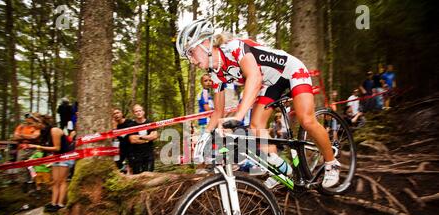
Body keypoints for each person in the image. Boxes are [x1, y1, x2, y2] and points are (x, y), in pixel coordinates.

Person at [177, 19, 341, 189]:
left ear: (205, 44)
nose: (190, 59)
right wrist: (204, 136)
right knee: (256, 125)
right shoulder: (215, 75)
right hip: (271, 83)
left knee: (306, 120)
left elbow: (254, 78)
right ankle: (280, 170)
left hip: (291, 70)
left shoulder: (233, 47)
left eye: (191, 52)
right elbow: (218, 112)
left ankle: (331, 162)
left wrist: (238, 116)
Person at [24, 114, 75, 212]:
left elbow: (57, 148)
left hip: (66, 157)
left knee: (62, 181)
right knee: (55, 182)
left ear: (39, 122)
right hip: (56, 157)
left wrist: (36, 147)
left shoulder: (54, 130)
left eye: (32, 123)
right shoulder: (44, 133)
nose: (31, 126)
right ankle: (53, 203)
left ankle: (60, 204)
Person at [127, 104, 159, 174]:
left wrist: (140, 137)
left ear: (143, 112)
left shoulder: (150, 122)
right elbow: (132, 140)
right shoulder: (131, 125)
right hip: (136, 155)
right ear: (134, 113)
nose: (138, 113)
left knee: (149, 174)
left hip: (149, 154)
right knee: (138, 175)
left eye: (140, 111)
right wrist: (148, 138)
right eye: (136, 111)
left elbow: (154, 136)